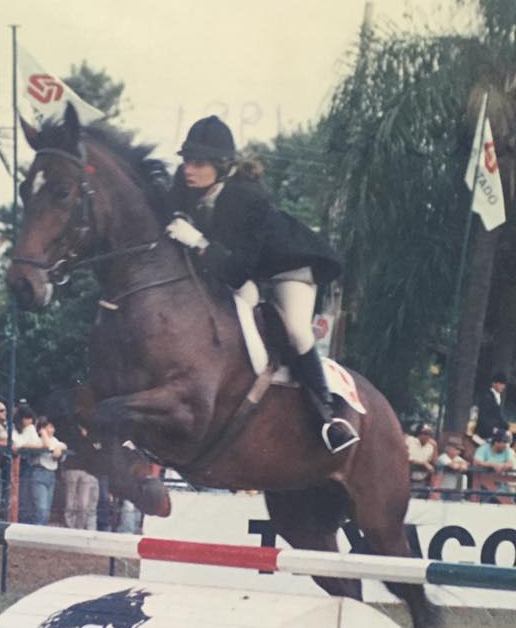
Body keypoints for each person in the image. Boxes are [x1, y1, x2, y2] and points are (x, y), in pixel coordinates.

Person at [165, 115, 358, 454]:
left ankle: (327, 416)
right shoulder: (185, 185)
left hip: (288, 267)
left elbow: (237, 272)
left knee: (297, 331)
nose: (188, 170)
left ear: (222, 166)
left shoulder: (246, 198)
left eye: (198, 163)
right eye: (185, 161)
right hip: (245, 269)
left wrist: (197, 241)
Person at [61, 424, 102, 530]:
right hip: (72, 469)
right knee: (71, 501)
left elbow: (97, 450)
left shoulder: (94, 434)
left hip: (86, 471)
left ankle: (80, 528)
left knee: (83, 503)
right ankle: (70, 526)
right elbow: (75, 446)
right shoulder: (71, 431)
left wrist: (87, 438)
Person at [29, 415, 67, 525]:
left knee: (47, 511)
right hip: (39, 473)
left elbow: (63, 445)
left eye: (52, 427)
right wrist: (43, 433)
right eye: (48, 427)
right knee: (41, 510)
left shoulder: (55, 440)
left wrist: (59, 448)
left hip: (51, 475)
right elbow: (46, 445)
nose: (52, 430)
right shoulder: (37, 440)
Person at [11, 404, 42, 523]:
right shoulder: (13, 427)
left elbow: (37, 443)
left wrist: (23, 445)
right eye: (26, 418)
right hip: (13, 464)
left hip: (26, 464)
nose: (29, 421)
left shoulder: (30, 428)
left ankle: (24, 520)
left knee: (26, 494)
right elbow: (15, 442)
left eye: (31, 418)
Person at [473, 428, 516, 495]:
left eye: (506, 442)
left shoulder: (507, 450)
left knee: (507, 493)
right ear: (496, 442)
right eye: (503, 442)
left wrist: (503, 466)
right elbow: (476, 462)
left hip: (503, 482)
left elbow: (511, 463)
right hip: (483, 484)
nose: (505, 444)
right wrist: (493, 465)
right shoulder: (483, 448)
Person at [475, 371, 510, 441]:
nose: (503, 386)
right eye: (501, 383)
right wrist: (494, 429)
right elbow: (483, 417)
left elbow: (498, 416)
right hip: (485, 429)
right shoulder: (487, 397)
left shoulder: (497, 396)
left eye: (504, 384)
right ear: (494, 383)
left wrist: (506, 425)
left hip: (494, 427)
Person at [405, 424, 438, 496]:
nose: (427, 436)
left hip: (422, 481)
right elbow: (408, 459)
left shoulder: (430, 446)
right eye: (425, 433)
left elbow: (434, 463)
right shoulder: (410, 440)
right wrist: (424, 463)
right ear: (418, 433)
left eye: (430, 434)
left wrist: (435, 447)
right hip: (407, 479)